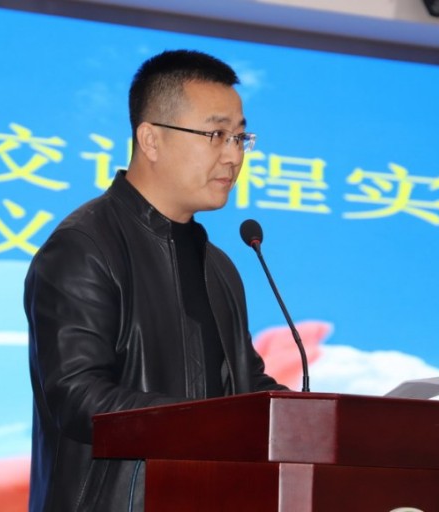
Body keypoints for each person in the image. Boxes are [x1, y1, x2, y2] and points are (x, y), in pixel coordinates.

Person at [24, 49, 287, 512]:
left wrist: (323, 419)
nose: (233, 155)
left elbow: (246, 386)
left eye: (240, 138)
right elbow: (78, 396)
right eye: (216, 135)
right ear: (150, 139)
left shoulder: (219, 266)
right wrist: (208, 424)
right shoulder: (84, 246)